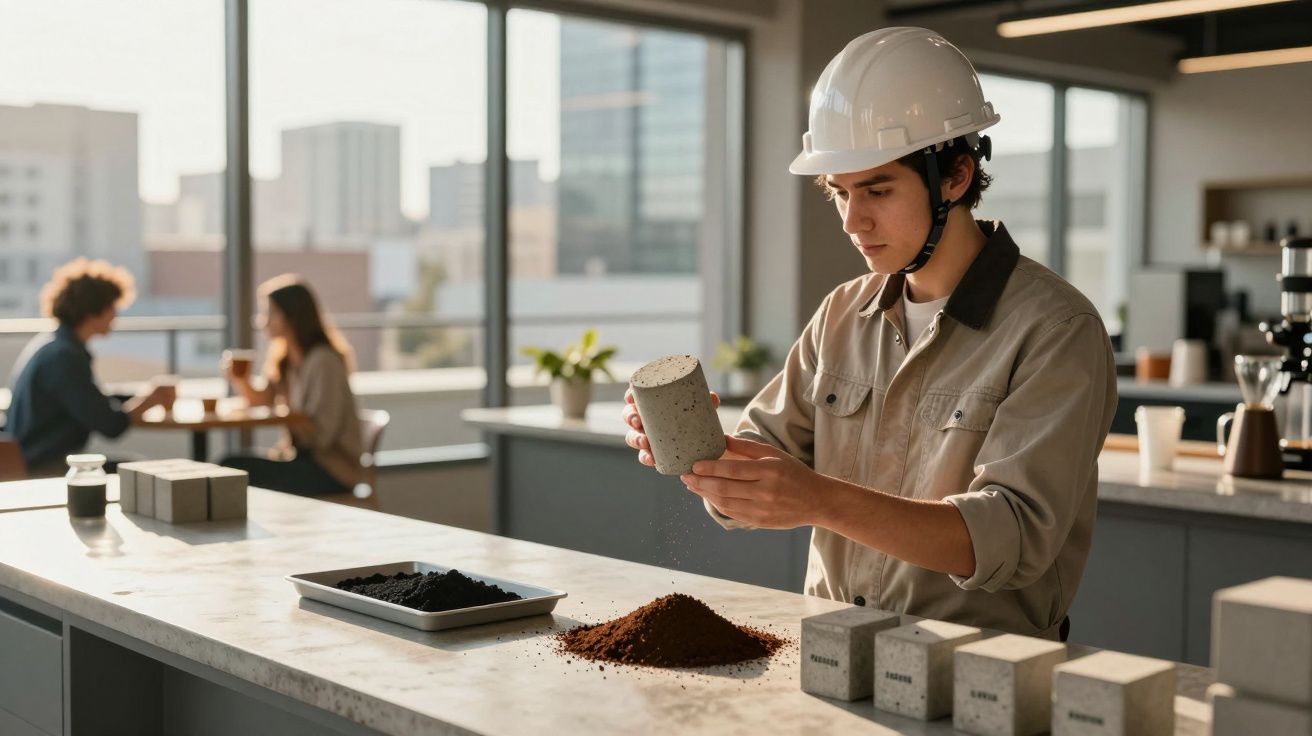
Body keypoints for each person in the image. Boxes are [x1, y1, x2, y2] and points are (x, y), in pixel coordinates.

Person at [623, 27, 1116, 640]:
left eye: (878, 190)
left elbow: (1013, 538)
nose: (854, 221)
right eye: (840, 193)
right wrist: (698, 452)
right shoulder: (841, 315)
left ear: (957, 176)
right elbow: (760, 475)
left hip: (978, 678)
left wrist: (817, 500)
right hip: (831, 652)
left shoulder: (1056, 330)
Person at [6, 258, 176, 477]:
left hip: (33, 460)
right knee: (141, 474)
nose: (116, 315)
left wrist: (141, 397)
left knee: (136, 470)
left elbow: (93, 400)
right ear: (92, 310)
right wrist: (150, 401)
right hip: (44, 468)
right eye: (112, 307)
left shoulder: (53, 346)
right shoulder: (64, 358)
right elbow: (111, 425)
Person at [220, 275, 363, 495]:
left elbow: (323, 435)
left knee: (231, 468)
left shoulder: (323, 361)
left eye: (271, 313)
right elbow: (262, 401)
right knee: (228, 465)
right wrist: (240, 380)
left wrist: (289, 417)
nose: (263, 321)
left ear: (293, 316)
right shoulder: (284, 359)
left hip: (330, 469)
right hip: (300, 459)